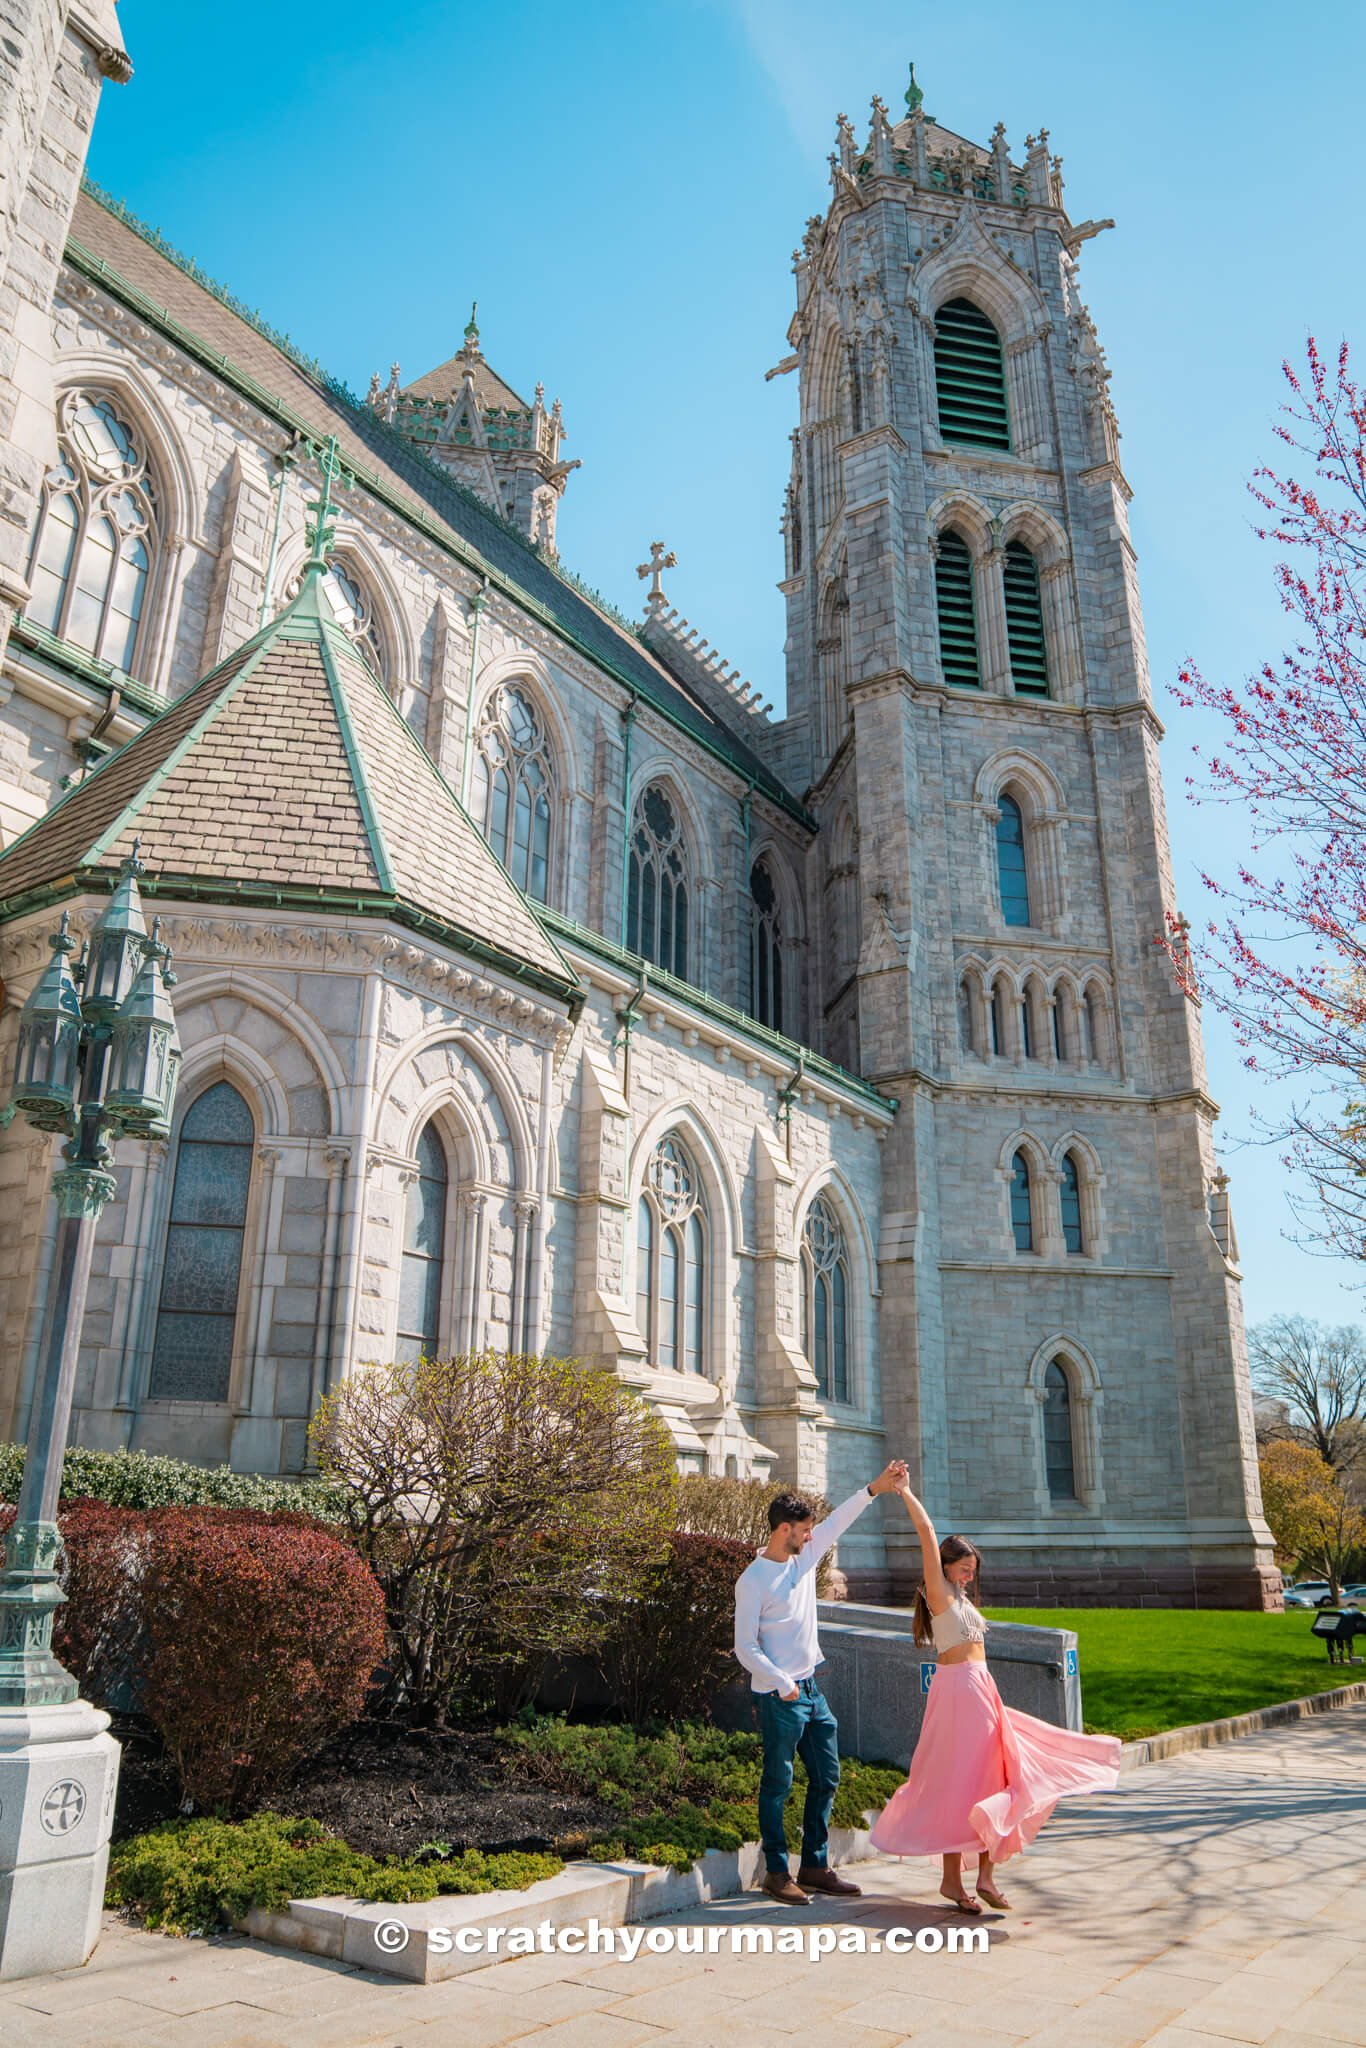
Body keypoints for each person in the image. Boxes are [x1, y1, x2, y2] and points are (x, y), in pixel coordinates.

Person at [869, 1481, 1121, 1912]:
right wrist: (905, 1492)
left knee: (990, 1777)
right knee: (959, 1781)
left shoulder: (960, 1596)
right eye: (964, 1569)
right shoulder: (939, 1591)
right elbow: (927, 1534)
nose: (969, 1577)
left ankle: (980, 1876)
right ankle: (958, 1879)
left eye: (972, 1571)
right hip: (958, 1692)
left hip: (980, 1688)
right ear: (946, 1566)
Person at [734, 1460, 908, 1904]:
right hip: (779, 1696)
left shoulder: (804, 1560)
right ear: (784, 1529)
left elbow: (836, 1523)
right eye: (804, 1530)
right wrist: (780, 1680)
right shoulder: (753, 1580)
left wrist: (874, 1489)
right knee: (778, 1784)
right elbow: (744, 1647)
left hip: (812, 1691)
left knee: (827, 1776)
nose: (812, 1536)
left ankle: (813, 1865)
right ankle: (777, 1872)